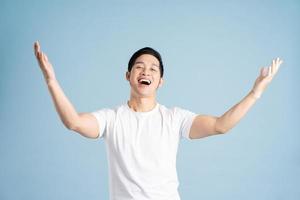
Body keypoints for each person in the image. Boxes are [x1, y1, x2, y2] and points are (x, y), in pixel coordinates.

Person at [33, 41, 283, 200]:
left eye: (153, 69)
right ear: (128, 75)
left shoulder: (174, 118)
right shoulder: (111, 118)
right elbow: (74, 122)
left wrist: (255, 92)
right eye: (139, 67)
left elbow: (221, 125)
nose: (146, 72)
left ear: (160, 81)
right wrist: (51, 81)